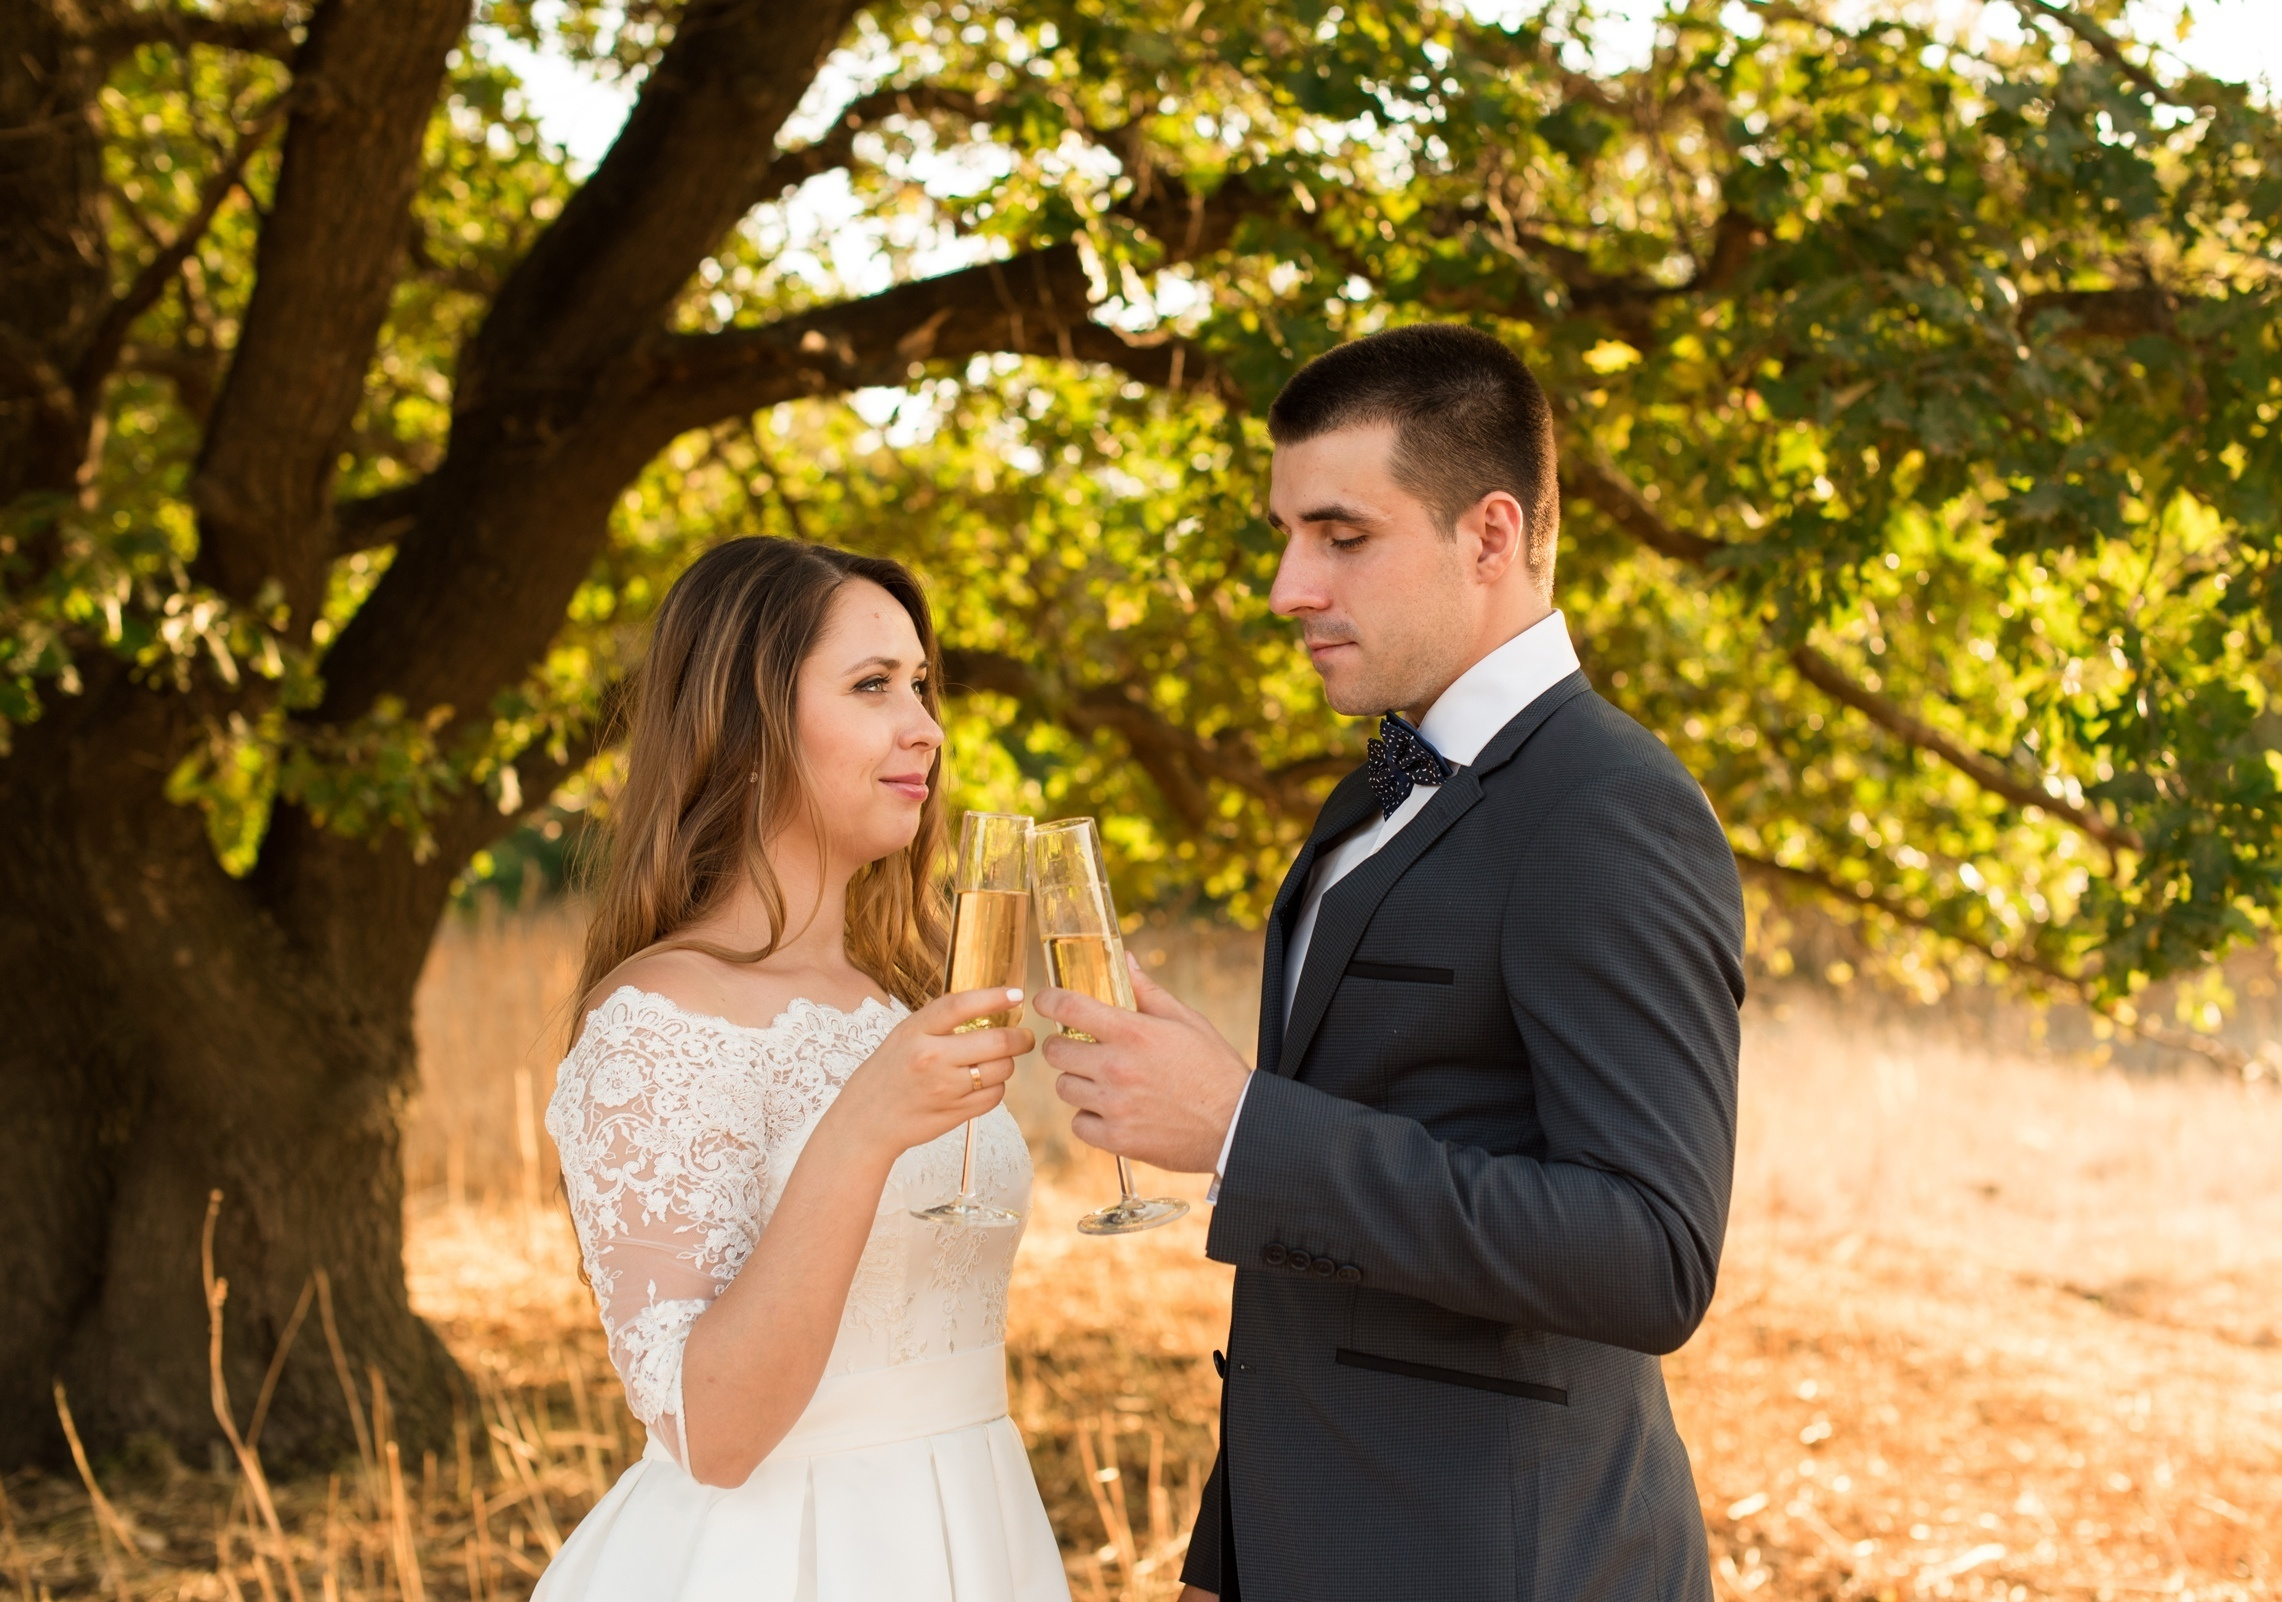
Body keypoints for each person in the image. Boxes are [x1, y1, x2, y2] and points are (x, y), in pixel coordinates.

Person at [1036, 325, 1746, 1601]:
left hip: (1504, 1559)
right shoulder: (1378, 780)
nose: (1287, 588)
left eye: (1341, 536)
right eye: (1284, 535)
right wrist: (1229, 1556)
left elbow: (1651, 1256)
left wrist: (1242, 1125)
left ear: (1489, 534)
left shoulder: (1608, 807)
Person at [537, 538, 1069, 1602]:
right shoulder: (657, 1021)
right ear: (745, 727)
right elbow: (715, 1435)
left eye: (919, 686)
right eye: (873, 686)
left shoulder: (895, 1002)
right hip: (778, 1561)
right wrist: (863, 1129)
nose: (925, 725)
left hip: (975, 1530)